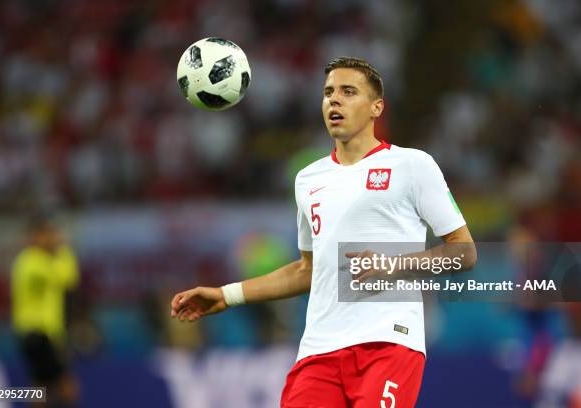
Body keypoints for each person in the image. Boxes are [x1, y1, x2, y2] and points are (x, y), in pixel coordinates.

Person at [170, 57, 477, 408]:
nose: (335, 100)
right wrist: (227, 296)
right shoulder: (308, 179)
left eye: (349, 92)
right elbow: (308, 270)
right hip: (319, 351)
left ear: (376, 107)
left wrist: (391, 266)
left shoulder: (412, 165)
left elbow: (464, 252)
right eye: (329, 92)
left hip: (388, 344)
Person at [11, 216, 80, 407]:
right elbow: (67, 277)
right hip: (38, 331)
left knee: (42, 385)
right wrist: (63, 248)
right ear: (34, 237)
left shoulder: (33, 260)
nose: (50, 238)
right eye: (46, 234)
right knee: (66, 386)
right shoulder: (32, 261)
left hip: (39, 331)